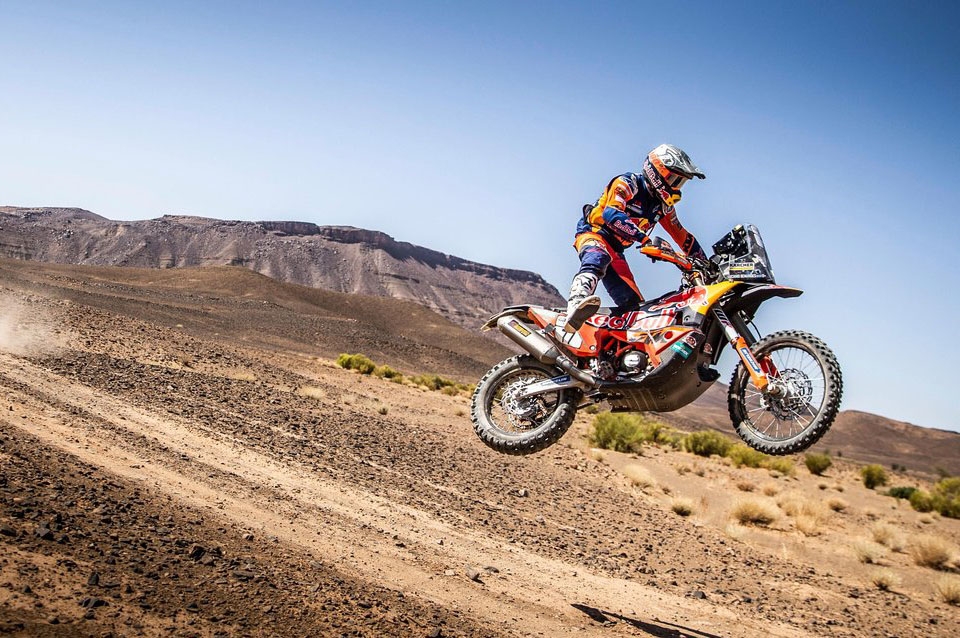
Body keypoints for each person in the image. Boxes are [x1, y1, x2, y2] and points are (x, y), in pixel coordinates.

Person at [561, 143, 708, 333]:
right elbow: (611, 215)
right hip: (593, 232)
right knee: (599, 256)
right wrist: (644, 239)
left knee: (635, 308)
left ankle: (618, 347)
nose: (676, 187)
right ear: (656, 172)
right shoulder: (628, 183)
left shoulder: (663, 206)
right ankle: (576, 302)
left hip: (617, 251)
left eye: (681, 182)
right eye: (674, 179)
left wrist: (706, 264)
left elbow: (682, 235)